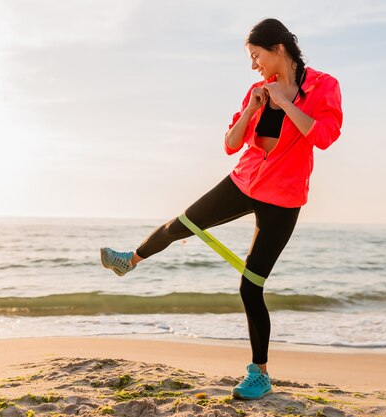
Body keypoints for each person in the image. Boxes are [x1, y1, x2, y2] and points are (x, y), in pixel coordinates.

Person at [100, 18, 343, 400]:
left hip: (284, 196)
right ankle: (129, 259)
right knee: (181, 223)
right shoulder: (255, 89)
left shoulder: (322, 86)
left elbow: (325, 136)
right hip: (245, 180)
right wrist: (253, 109)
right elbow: (231, 143)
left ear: (278, 50)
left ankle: (259, 374)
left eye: (256, 56)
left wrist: (285, 103)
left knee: (251, 286)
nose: (254, 65)